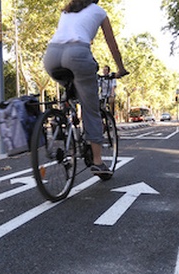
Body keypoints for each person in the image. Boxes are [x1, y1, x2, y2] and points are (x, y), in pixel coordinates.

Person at [43, 0, 128, 176]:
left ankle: (62, 118)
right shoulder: (100, 12)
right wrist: (120, 68)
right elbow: (112, 45)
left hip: (51, 55)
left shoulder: (66, 11)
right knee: (91, 109)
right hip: (77, 55)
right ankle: (98, 162)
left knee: (71, 90)